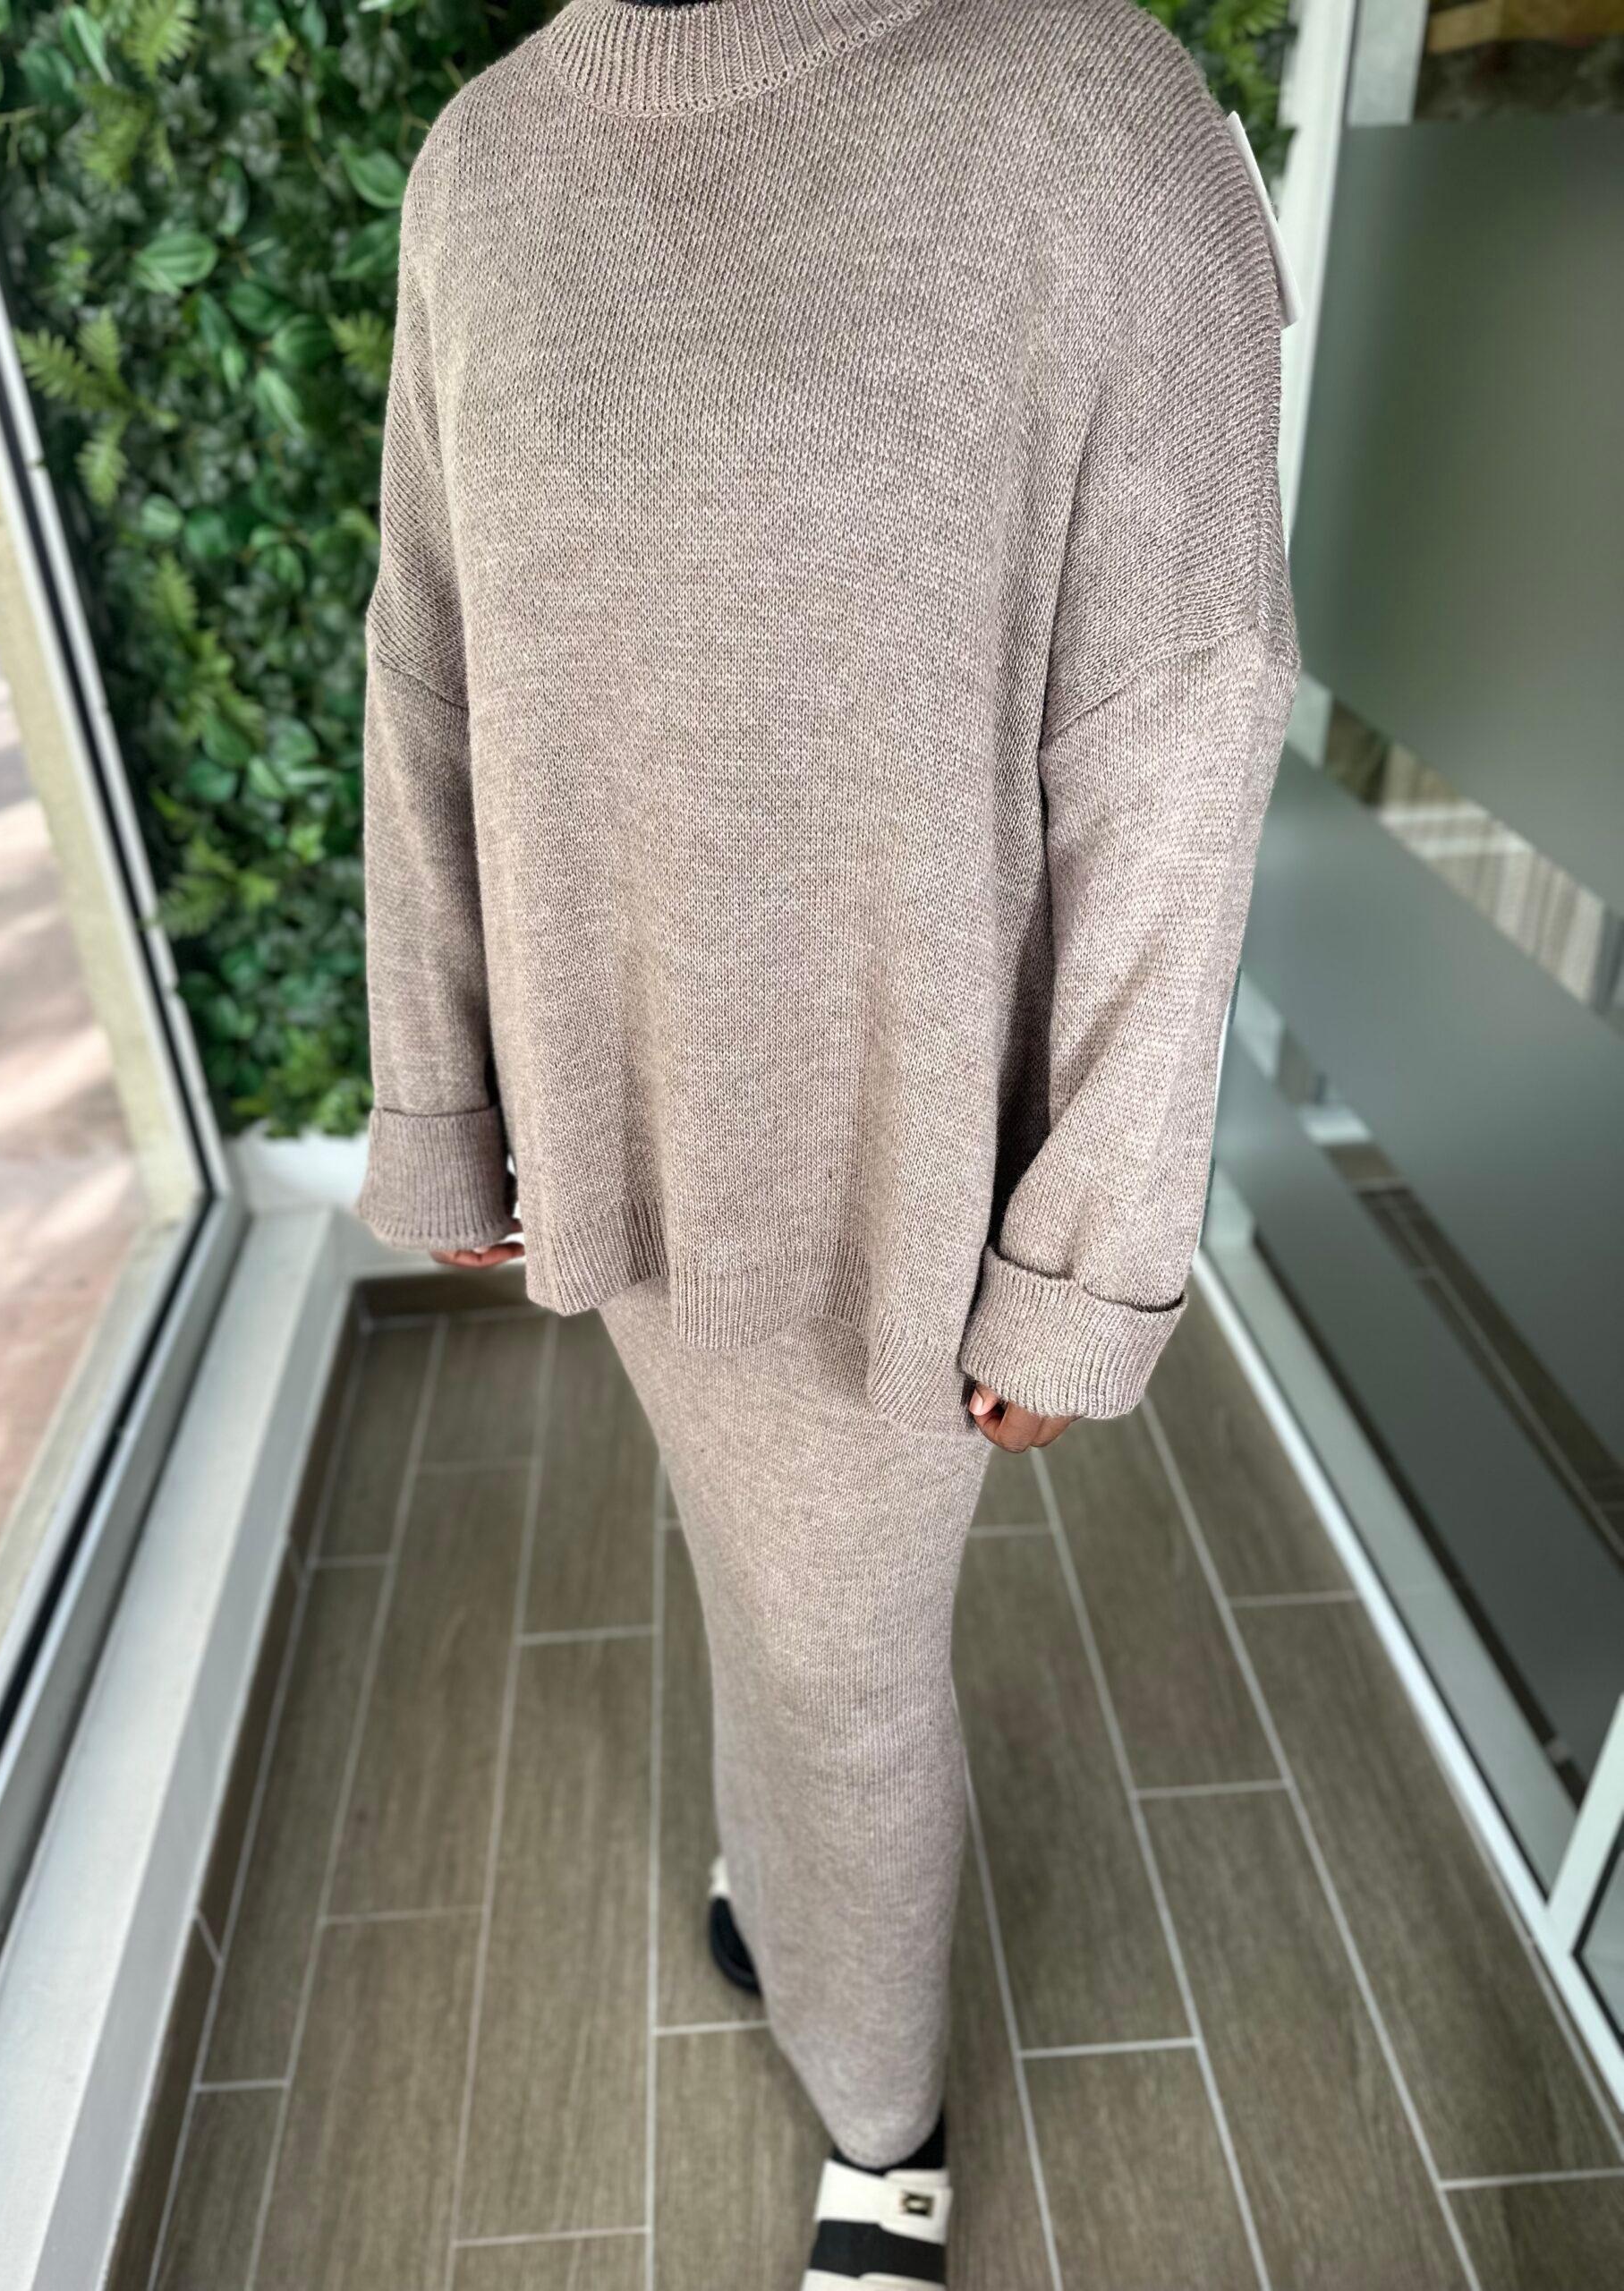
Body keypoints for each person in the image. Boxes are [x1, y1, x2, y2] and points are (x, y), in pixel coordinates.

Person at [355, 0, 1297, 2278]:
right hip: (622, 1109)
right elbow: (429, 653)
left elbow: (1184, 709)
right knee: (769, 1586)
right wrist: (444, 1084)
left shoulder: (1083, 117)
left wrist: (1091, 1242)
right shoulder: (487, 167)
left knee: (851, 1664)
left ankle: (883, 2114)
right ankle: (780, 1891)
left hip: (900, 1144)